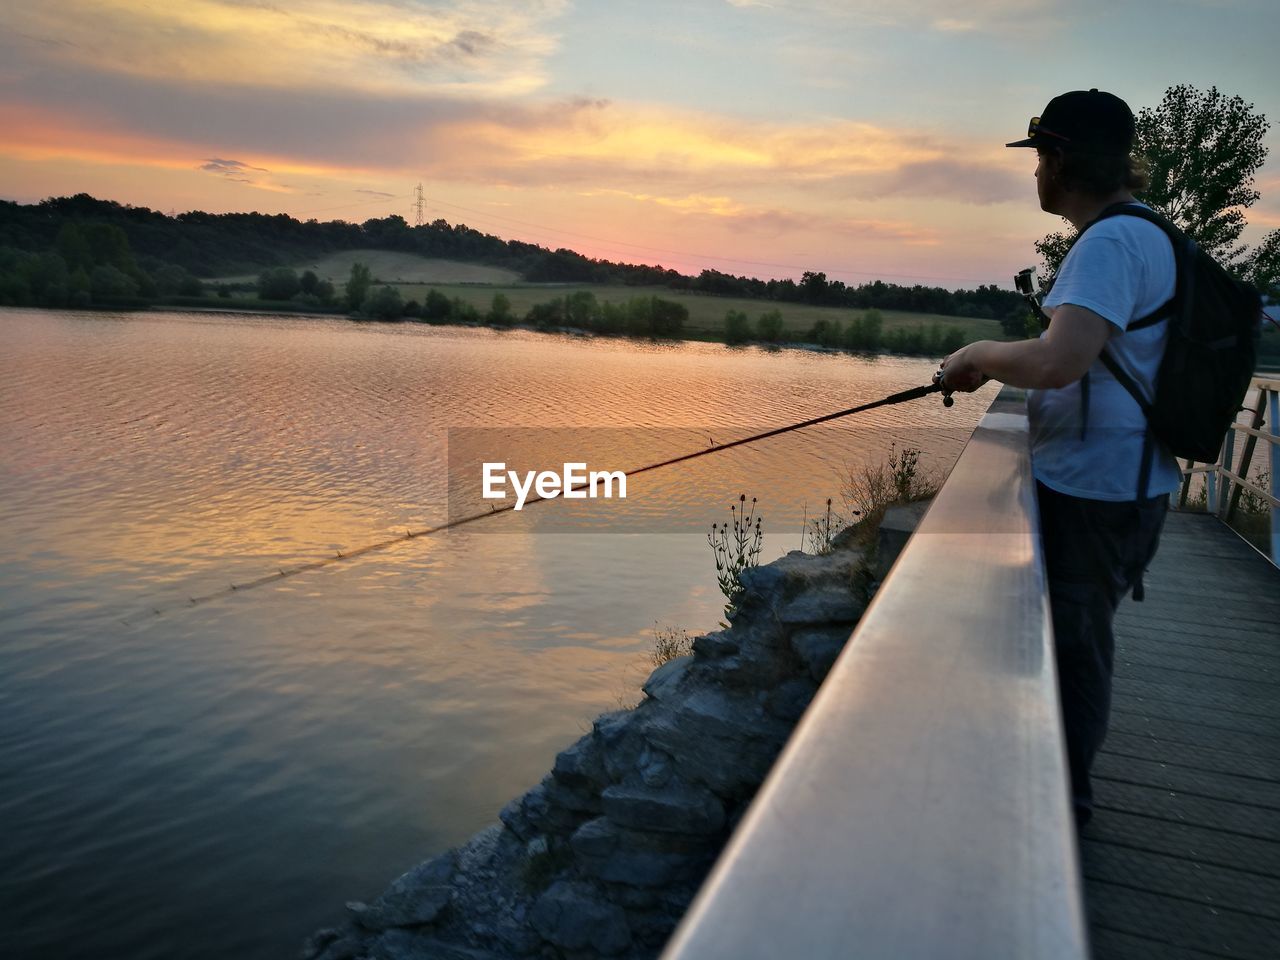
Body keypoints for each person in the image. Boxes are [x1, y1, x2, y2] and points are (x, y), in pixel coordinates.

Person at [939, 89, 1180, 827]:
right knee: (1074, 641)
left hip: (1098, 490)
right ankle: (1050, 794)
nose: (1035, 171)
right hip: (1120, 484)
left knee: (1074, 651)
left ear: (1063, 160)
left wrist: (978, 353)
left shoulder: (1109, 243)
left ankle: (1058, 813)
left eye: (1040, 154)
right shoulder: (1145, 235)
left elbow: (1061, 360)